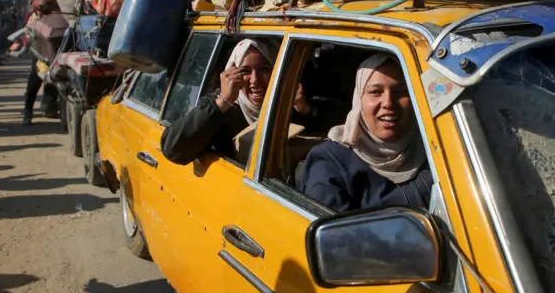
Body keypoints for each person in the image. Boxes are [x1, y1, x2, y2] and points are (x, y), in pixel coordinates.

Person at [297, 54, 432, 213]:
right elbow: (337, 234)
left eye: (401, 91)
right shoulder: (330, 162)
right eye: (376, 92)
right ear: (359, 99)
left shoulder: (434, 147)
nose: (388, 103)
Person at [161, 38, 322, 165]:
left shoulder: (290, 99)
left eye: (265, 69)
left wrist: (306, 110)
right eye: (244, 71)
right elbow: (173, 150)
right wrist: (223, 102)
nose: (254, 80)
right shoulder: (221, 107)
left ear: (278, 70)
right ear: (231, 73)